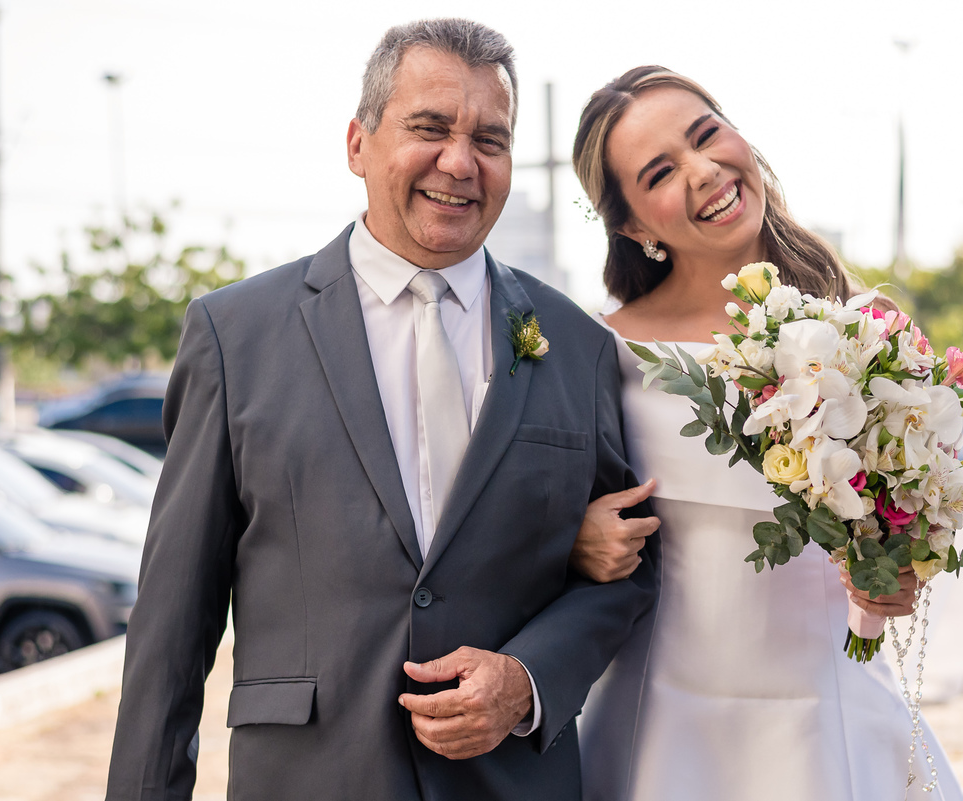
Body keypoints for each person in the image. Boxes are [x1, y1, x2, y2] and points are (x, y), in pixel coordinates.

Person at [105, 21, 658, 801]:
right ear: (358, 144)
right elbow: (172, 619)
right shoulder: (235, 335)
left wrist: (528, 677)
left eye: (490, 140)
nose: (459, 163)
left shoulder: (578, 344)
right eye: (429, 128)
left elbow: (632, 565)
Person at [567, 66, 963, 800]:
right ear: (632, 226)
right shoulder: (603, 352)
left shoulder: (874, 328)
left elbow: (923, 516)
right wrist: (575, 537)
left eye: (706, 134)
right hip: (661, 725)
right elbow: (547, 527)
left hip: (829, 719)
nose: (703, 171)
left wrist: (898, 573)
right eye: (660, 172)